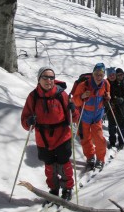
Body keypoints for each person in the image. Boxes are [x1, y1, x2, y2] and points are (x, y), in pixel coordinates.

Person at [21, 67, 79, 201]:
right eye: (45, 77)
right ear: (39, 79)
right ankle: (53, 189)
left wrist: (73, 109)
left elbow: (74, 118)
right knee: (49, 165)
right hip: (43, 138)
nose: (49, 80)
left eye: (51, 78)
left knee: (64, 163)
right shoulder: (33, 96)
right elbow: (25, 121)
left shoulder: (61, 95)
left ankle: (67, 188)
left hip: (62, 135)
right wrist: (29, 121)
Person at [73, 63, 110, 170]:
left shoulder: (106, 84)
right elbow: (75, 101)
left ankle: (100, 159)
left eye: (101, 74)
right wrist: (82, 96)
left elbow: (107, 95)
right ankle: (90, 157)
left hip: (97, 117)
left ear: (103, 75)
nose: (99, 77)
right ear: (93, 74)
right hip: (84, 116)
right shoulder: (83, 85)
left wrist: (108, 97)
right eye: (96, 74)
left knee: (99, 139)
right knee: (85, 139)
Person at [106, 67, 124, 150]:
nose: (112, 76)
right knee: (111, 125)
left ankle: (121, 141)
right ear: (108, 76)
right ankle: (112, 142)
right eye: (110, 75)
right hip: (110, 107)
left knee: (121, 125)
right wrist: (107, 102)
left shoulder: (119, 83)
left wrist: (122, 99)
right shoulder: (105, 84)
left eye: (113, 75)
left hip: (120, 107)